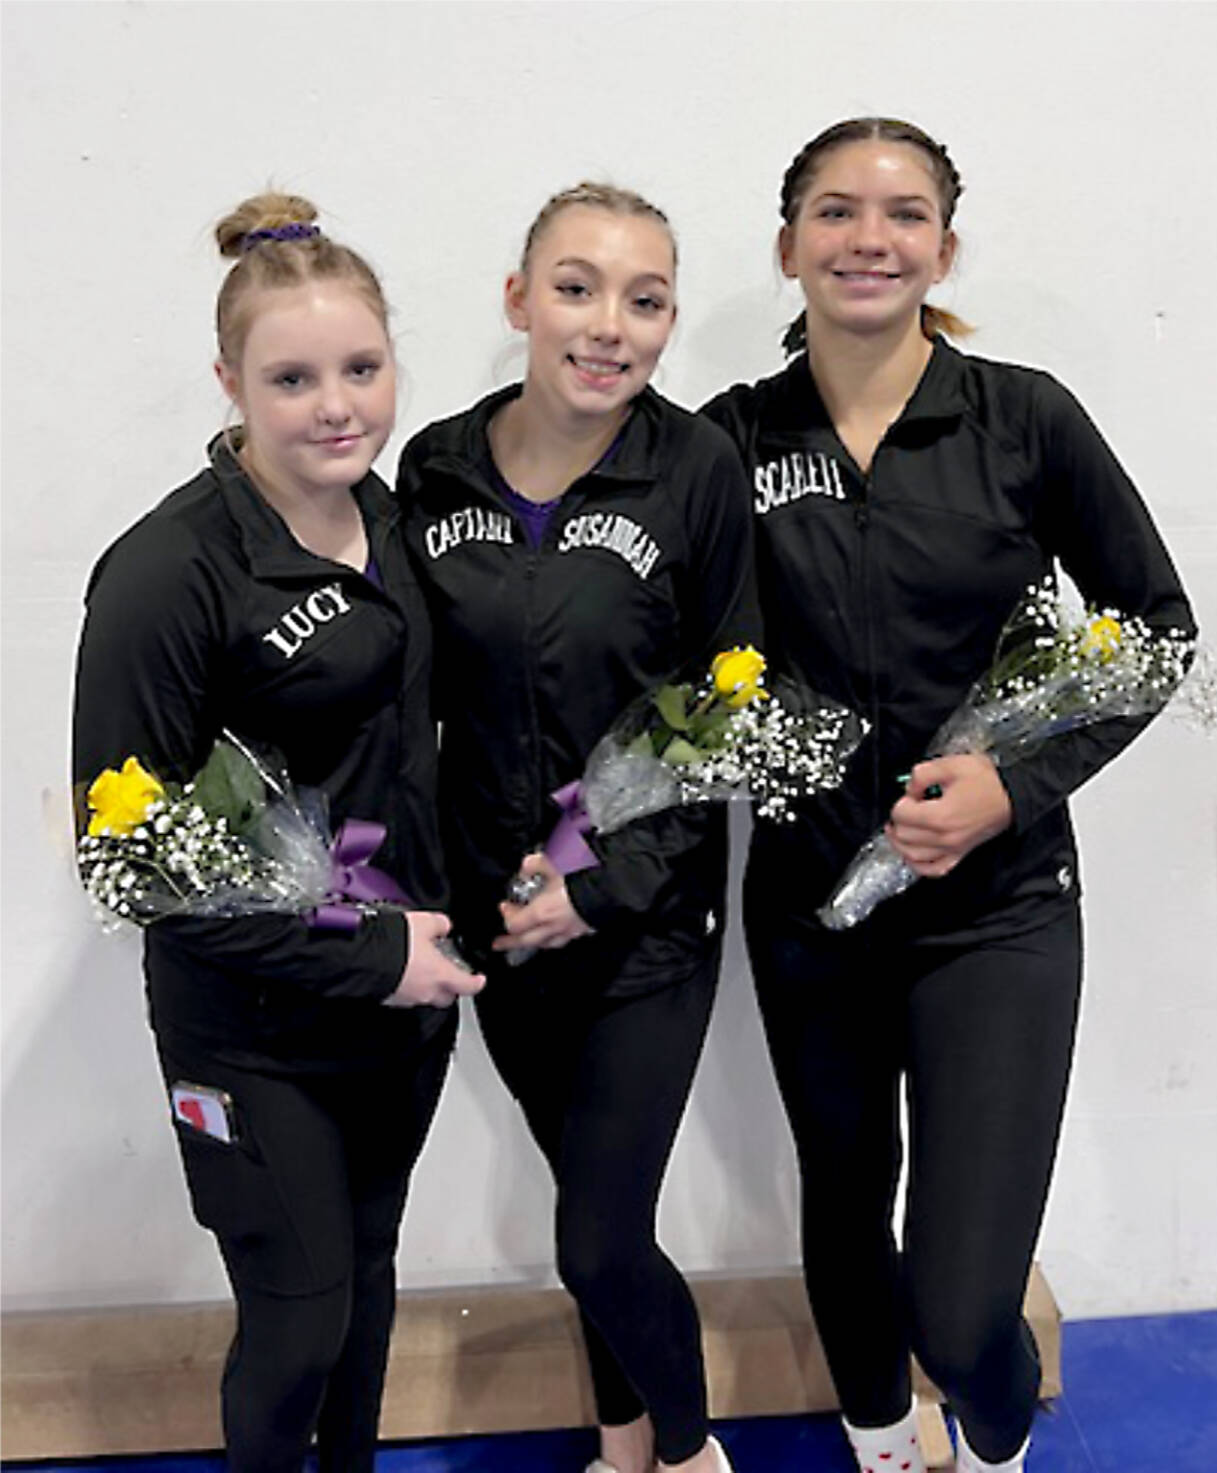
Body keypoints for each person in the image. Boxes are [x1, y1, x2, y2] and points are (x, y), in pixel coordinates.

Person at [701, 119, 1195, 1473]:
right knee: (847, 1214)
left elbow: (1155, 632)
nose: (871, 239)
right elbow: (664, 657)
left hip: (1000, 909)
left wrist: (1011, 785)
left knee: (964, 1293)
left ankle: (989, 1444)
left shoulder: (1024, 417)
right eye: (838, 212)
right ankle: (875, 1443)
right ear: (788, 243)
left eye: (904, 214)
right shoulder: (725, 442)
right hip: (813, 911)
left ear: (944, 246)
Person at [72, 193, 483, 1473]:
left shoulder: (398, 527)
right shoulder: (166, 574)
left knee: (361, 1288)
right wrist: (368, 958)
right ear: (230, 382)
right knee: (298, 1315)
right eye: (292, 378)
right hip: (252, 1030)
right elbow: (130, 856)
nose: (336, 405)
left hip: (399, 1005)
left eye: (361, 368)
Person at [397, 183, 755, 1473]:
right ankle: (621, 1442)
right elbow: (408, 694)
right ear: (518, 301)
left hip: (641, 926)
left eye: (644, 299)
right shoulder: (432, 464)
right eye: (576, 287)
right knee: (585, 1211)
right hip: (500, 927)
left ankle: (693, 1452)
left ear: (664, 324)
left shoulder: (695, 469)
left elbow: (726, 702)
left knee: (596, 1237)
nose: (609, 325)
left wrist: (601, 887)